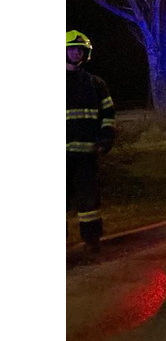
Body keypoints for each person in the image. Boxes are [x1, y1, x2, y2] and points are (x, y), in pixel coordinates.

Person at [66, 31, 116, 252]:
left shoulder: (96, 84)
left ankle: (92, 241)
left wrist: (106, 138)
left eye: (80, 50)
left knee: (89, 201)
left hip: (87, 155)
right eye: (71, 49)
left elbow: (108, 114)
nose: (76, 53)